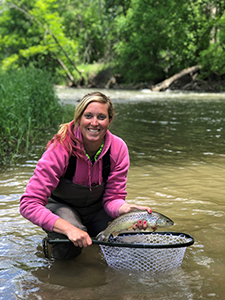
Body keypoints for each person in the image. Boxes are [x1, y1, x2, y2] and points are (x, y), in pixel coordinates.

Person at [20, 91, 152, 260]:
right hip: (61, 208)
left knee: (130, 241)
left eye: (101, 117)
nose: (94, 123)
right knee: (68, 242)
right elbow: (28, 204)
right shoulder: (60, 147)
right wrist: (68, 228)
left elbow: (112, 198)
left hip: (96, 210)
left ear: (110, 120)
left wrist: (125, 210)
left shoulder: (118, 149)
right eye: (88, 116)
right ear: (79, 119)